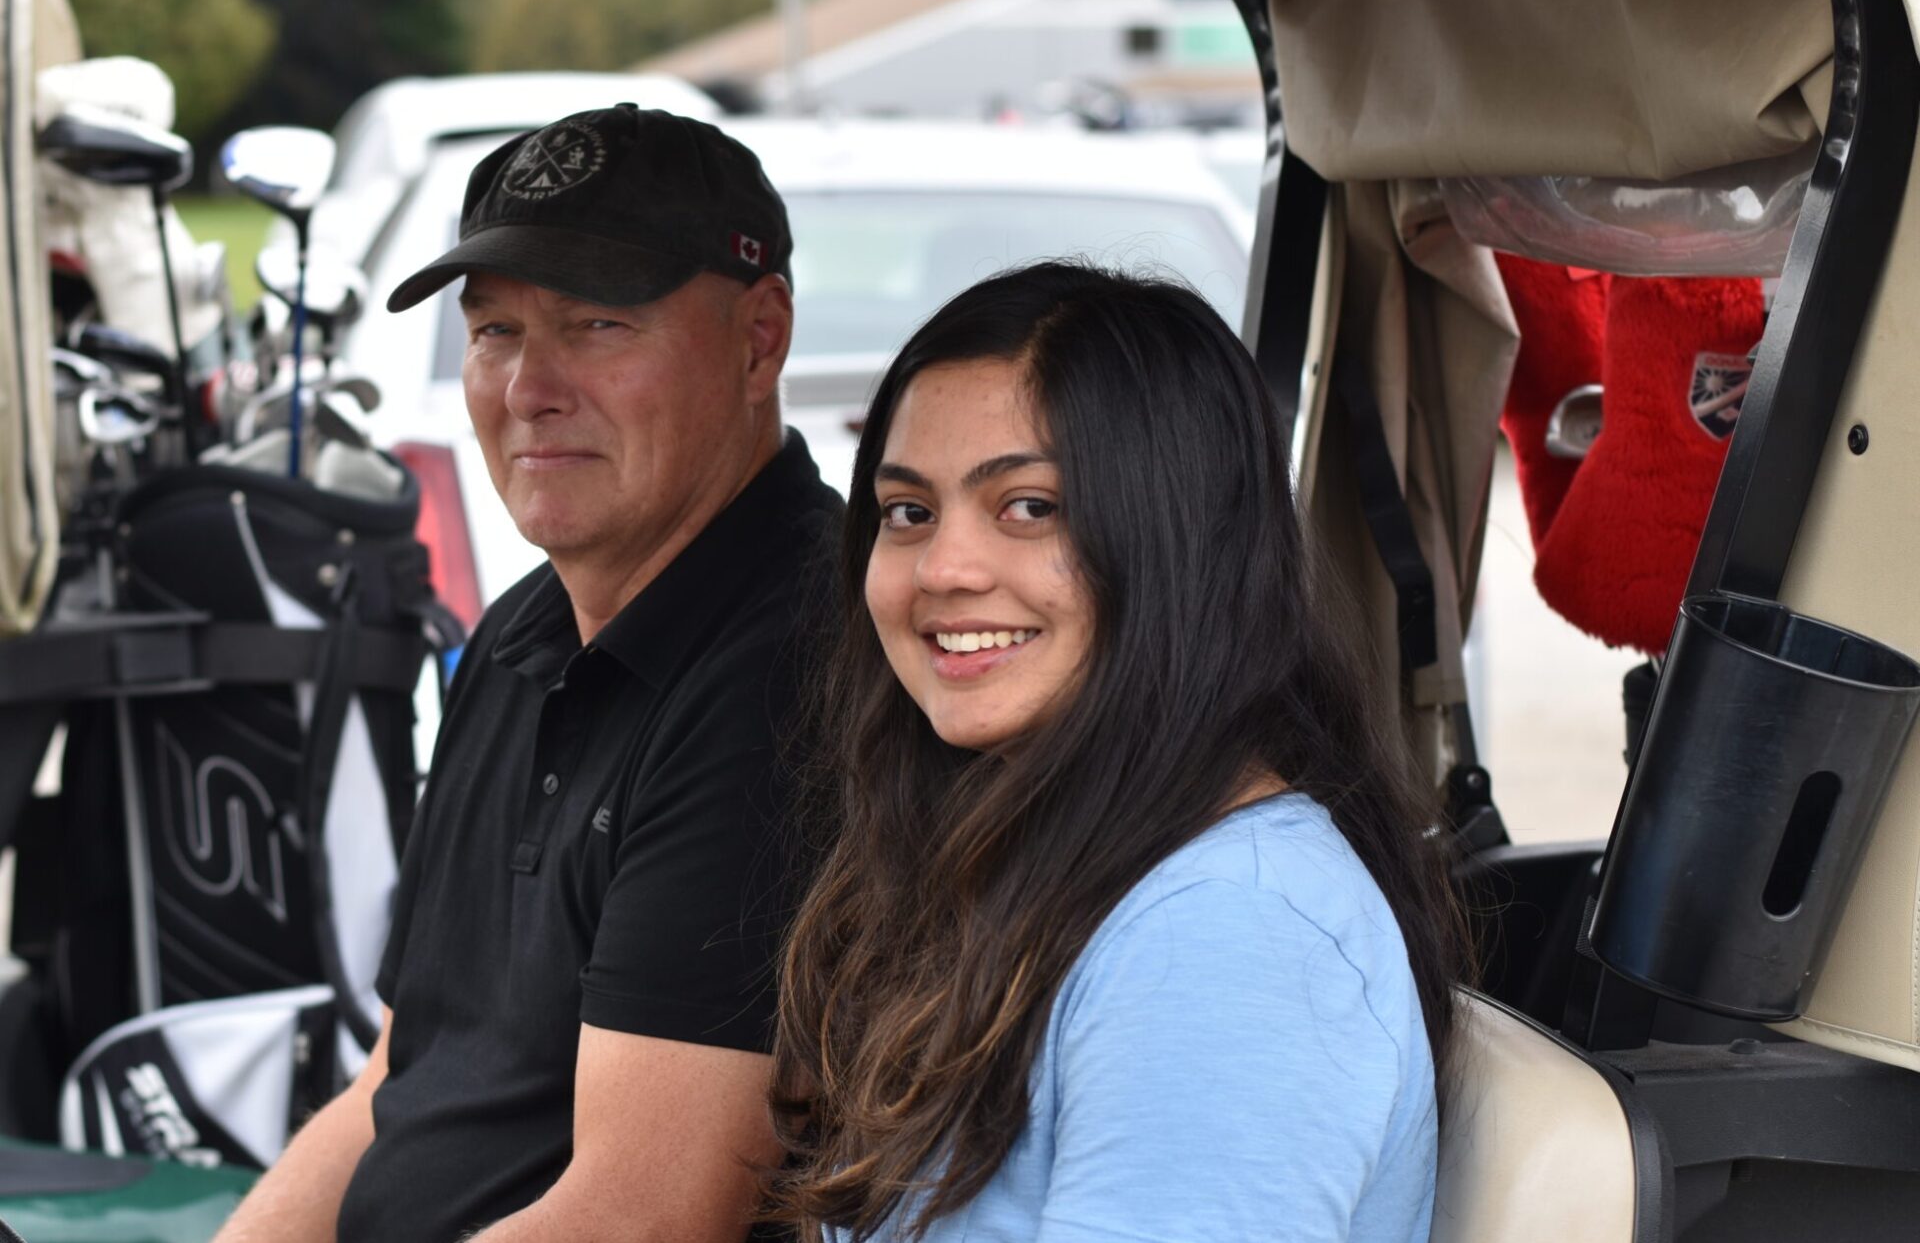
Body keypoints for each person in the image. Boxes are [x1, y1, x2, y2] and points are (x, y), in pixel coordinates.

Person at [216, 106, 841, 1242]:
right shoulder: (516, 638)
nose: (527, 388)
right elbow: (397, 1084)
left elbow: (645, 1217)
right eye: (496, 331)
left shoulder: (803, 666)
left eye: (597, 323)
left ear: (761, 340)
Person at [765, 261, 1466, 1242]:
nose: (943, 569)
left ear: (1173, 543)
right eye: (908, 512)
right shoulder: (1037, 857)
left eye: (1027, 507)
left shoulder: (1227, 933)